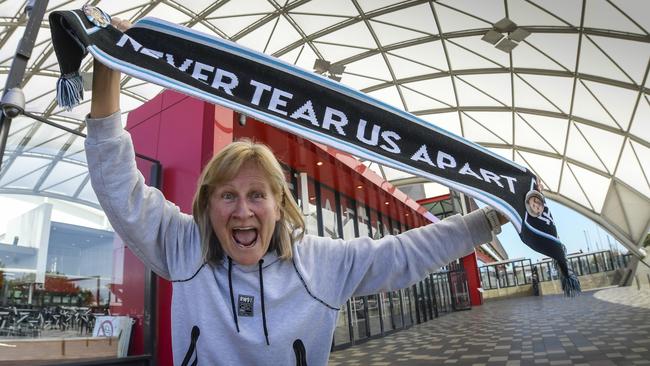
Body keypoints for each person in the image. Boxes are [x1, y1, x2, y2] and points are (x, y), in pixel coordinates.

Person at [85, 18, 507, 366]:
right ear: (208, 205)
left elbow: (403, 254)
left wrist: (489, 218)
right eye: (227, 195)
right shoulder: (183, 246)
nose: (243, 211)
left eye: (257, 195)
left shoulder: (321, 262)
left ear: (279, 204)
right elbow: (120, 187)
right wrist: (109, 64)